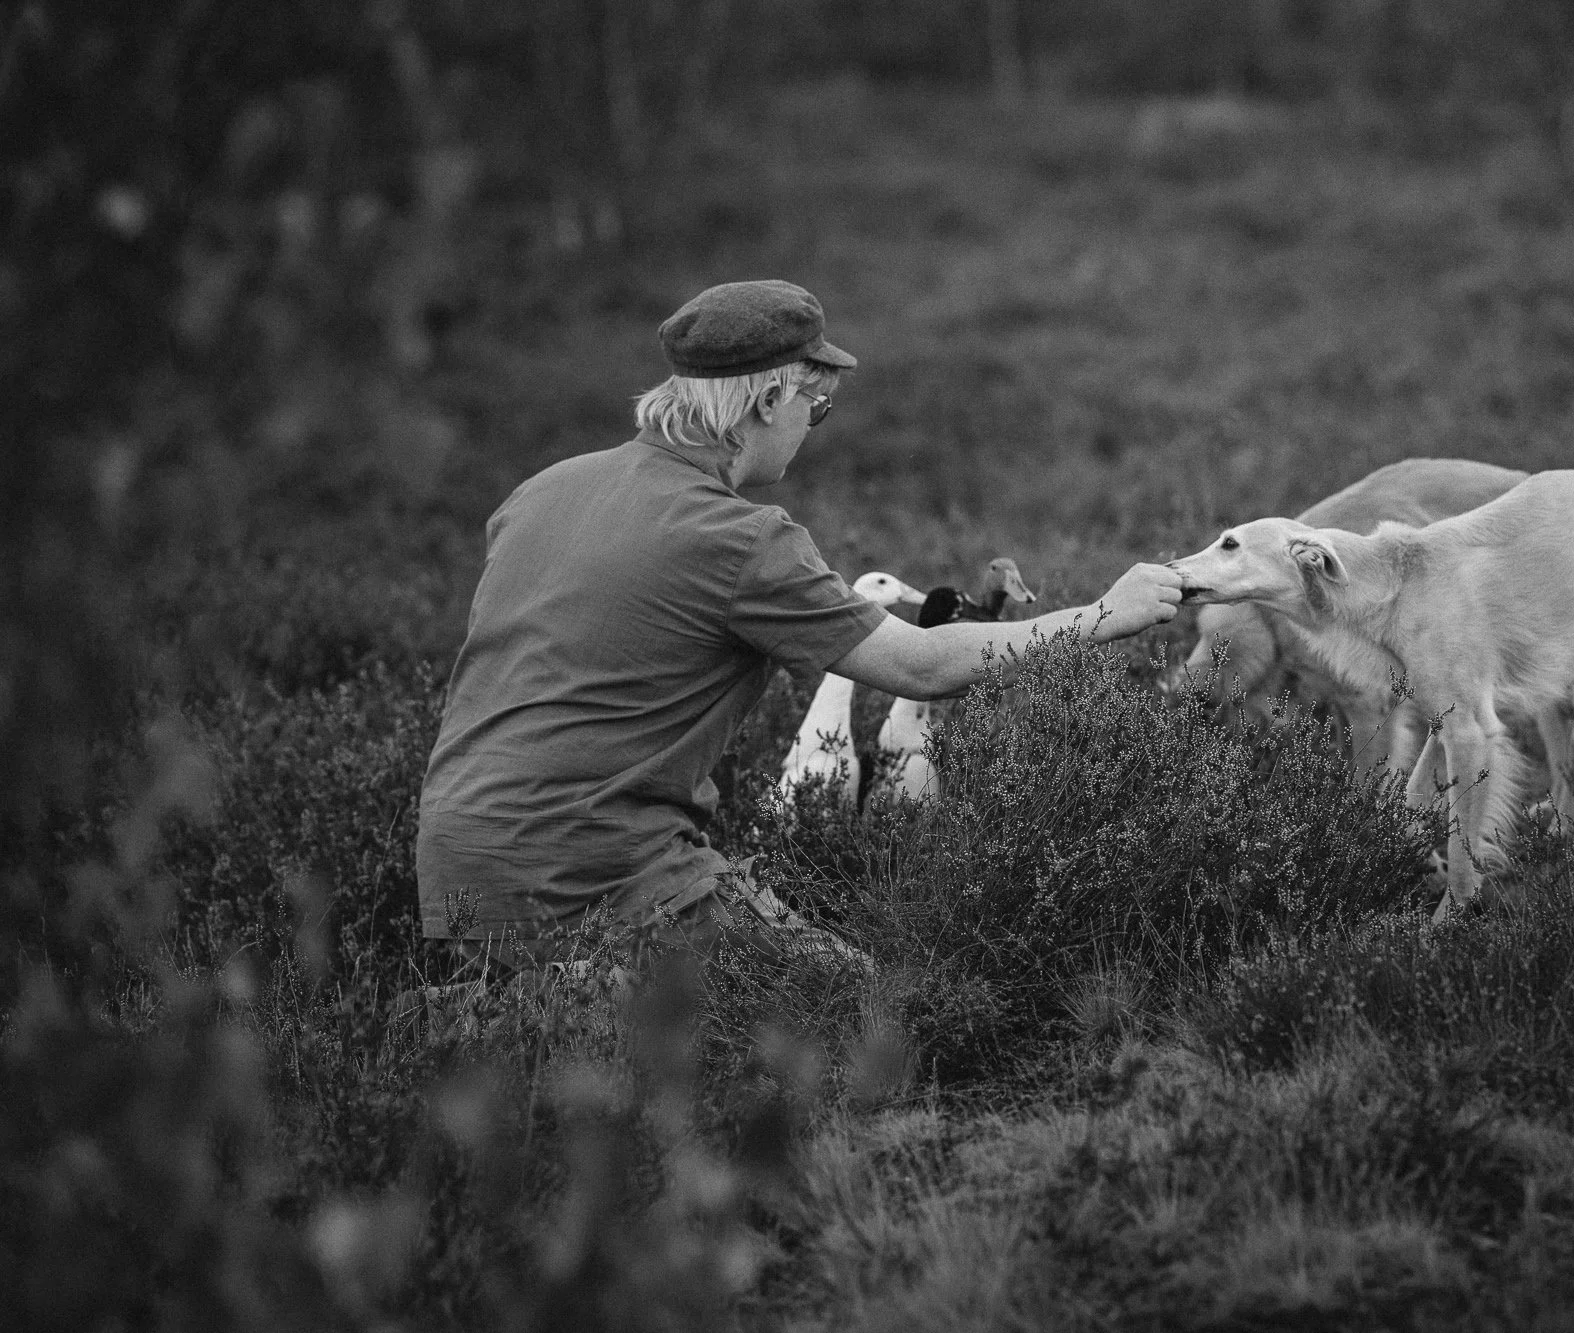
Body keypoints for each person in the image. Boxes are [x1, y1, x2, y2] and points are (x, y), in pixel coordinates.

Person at [415, 279, 1184, 975]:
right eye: (817, 407)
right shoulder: (740, 539)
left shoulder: (537, 493)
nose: (814, 427)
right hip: (607, 870)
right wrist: (1102, 616)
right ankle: (581, 996)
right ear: (765, 402)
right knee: (850, 998)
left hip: (454, 874)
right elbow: (920, 666)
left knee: (563, 1033)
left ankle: (511, 1008)